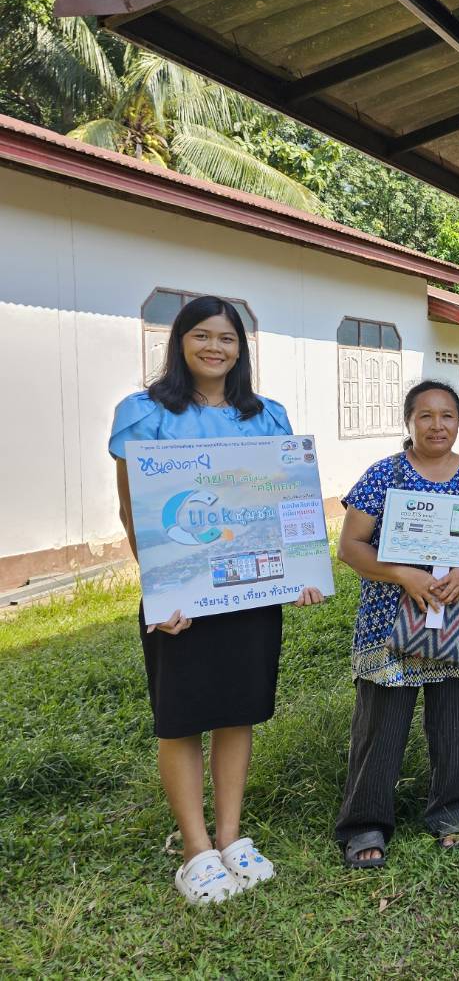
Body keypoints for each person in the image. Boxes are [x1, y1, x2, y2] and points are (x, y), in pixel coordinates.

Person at [109, 296, 325, 905]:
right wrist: (161, 593)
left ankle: (231, 836)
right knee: (180, 719)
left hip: (251, 594)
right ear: (179, 342)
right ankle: (195, 849)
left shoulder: (266, 416)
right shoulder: (144, 414)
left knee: (238, 710)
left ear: (241, 348)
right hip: (181, 600)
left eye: (226, 338)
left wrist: (302, 570)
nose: (214, 348)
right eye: (201, 336)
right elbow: (135, 514)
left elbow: (290, 508)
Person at [334, 381, 459, 867]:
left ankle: (452, 813)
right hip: (391, 617)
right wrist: (402, 574)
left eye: (448, 416)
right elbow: (351, 546)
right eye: (426, 416)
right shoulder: (383, 476)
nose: (438, 425)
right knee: (382, 724)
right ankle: (365, 823)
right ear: (409, 422)